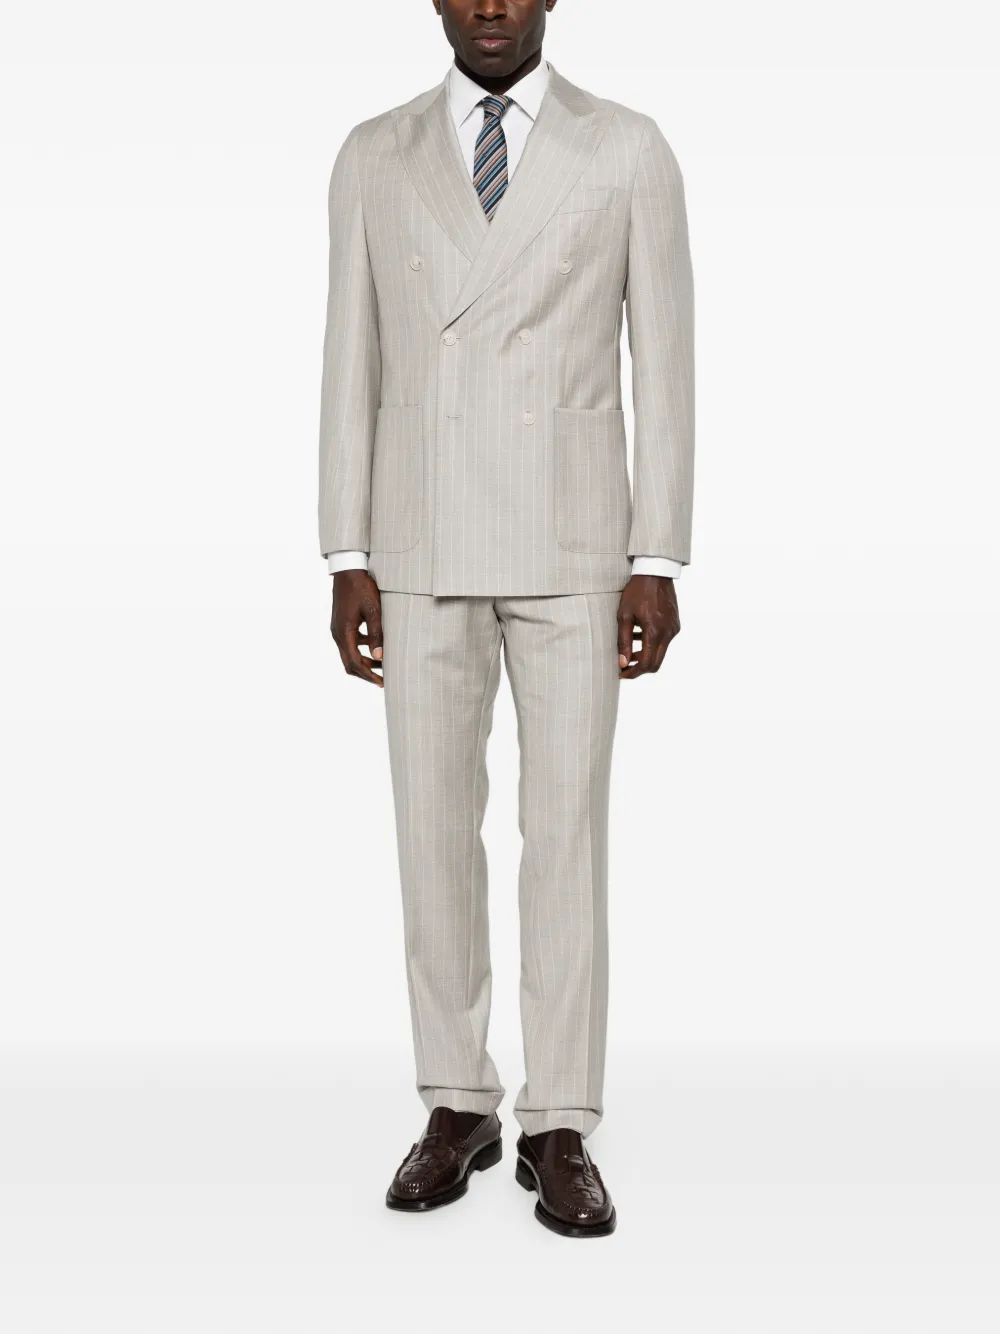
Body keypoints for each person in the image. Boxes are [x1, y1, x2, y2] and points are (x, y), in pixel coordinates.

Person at [319, 0, 694, 1238]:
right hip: (418, 532)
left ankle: (559, 1118)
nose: (490, 5)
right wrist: (346, 549)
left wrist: (655, 553)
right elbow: (350, 355)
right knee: (430, 828)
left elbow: (664, 359)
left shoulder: (626, 146)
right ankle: (455, 1099)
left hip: (576, 539)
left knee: (563, 834)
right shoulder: (373, 153)